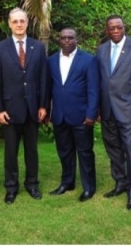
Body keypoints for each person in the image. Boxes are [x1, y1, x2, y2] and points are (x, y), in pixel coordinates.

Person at [0, 8, 48, 204]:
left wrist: (43, 105)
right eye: (15, 21)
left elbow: (43, 78)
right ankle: (11, 188)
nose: (19, 24)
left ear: (27, 23)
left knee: (32, 151)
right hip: (10, 110)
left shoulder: (38, 47)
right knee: (11, 152)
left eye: (22, 21)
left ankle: (32, 184)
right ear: (9, 24)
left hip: (33, 109)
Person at [96, 15, 131, 210]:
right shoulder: (101, 50)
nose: (116, 31)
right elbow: (100, 81)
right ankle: (120, 182)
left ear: (124, 27)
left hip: (129, 109)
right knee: (113, 149)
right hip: (107, 109)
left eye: (119, 27)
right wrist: (98, 108)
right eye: (112, 28)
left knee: (130, 150)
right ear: (107, 30)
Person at [47, 28, 100, 202]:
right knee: (64, 152)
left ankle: (89, 187)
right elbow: (49, 89)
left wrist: (92, 114)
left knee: (84, 152)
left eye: (71, 38)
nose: (67, 41)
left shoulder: (88, 60)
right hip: (60, 116)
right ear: (59, 40)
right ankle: (67, 182)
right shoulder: (52, 60)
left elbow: (93, 90)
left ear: (76, 39)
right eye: (64, 38)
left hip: (81, 116)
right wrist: (47, 111)